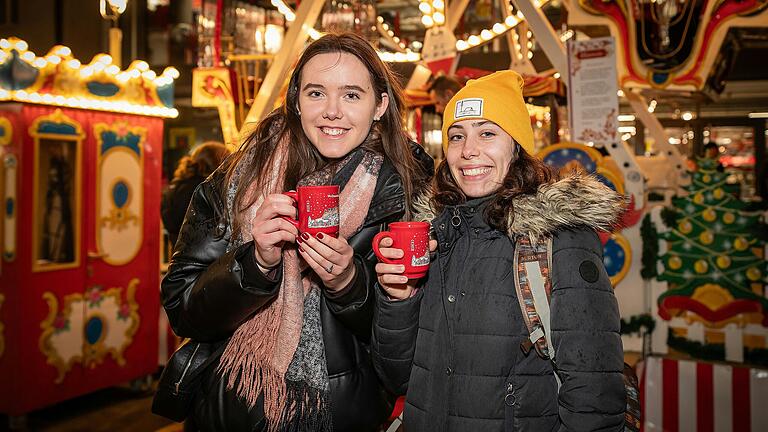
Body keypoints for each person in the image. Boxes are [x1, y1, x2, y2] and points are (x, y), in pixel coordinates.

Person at [160, 32, 433, 432]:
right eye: (316, 93)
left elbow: (412, 344)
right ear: (296, 102)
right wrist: (254, 265)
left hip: (342, 416)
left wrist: (349, 283)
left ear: (380, 105)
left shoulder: (408, 195)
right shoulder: (239, 178)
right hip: (229, 409)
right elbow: (183, 310)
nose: (332, 112)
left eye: (352, 95)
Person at [371, 70, 626, 431]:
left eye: (487, 133)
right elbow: (397, 377)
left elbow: (593, 391)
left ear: (516, 146)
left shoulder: (556, 239)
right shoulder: (434, 237)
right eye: (457, 136)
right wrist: (399, 299)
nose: (468, 150)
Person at [161, 141, 231, 247]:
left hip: (182, 253)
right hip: (204, 255)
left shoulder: (178, 185)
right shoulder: (205, 189)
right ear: (219, 163)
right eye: (228, 161)